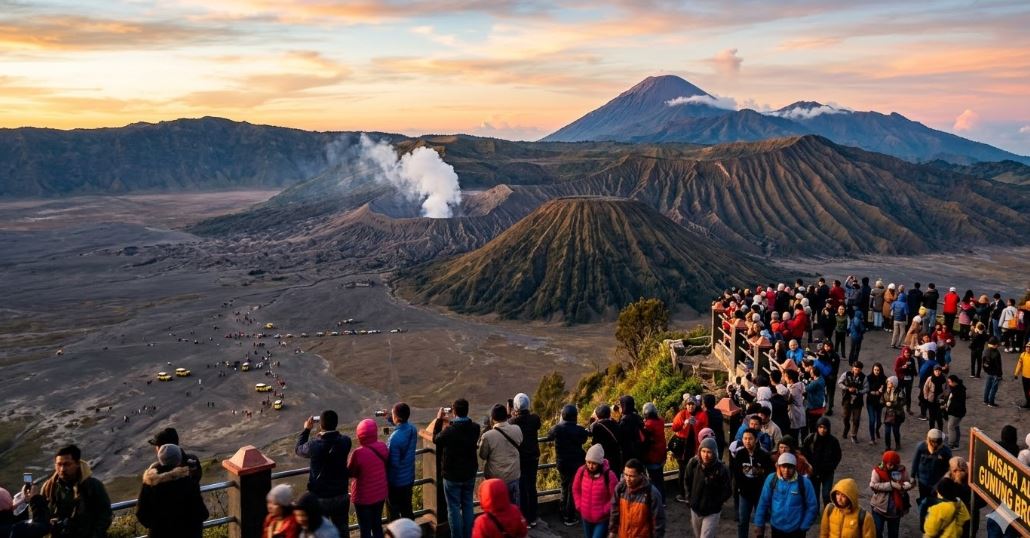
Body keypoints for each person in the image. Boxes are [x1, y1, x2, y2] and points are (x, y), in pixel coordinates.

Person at [135, 444, 208, 538]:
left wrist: (156, 526)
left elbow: (141, 512)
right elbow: (201, 512)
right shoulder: (186, 482)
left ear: (160, 459)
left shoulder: (150, 482)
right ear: (178, 459)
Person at [431, 399, 480, 538]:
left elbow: (436, 439)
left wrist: (439, 420)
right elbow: (463, 430)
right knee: (468, 505)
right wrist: (451, 422)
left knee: (453, 509)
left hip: (452, 475)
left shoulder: (449, 432)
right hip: (469, 473)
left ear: (454, 412)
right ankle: (468, 535)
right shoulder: (475, 428)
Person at [40, 444, 112, 538]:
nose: (62, 469)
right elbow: (41, 515)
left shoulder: (93, 486)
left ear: (77, 464)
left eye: (67, 464)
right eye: (59, 464)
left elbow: (105, 514)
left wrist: (95, 535)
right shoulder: (49, 487)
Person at [296, 410, 352, 530]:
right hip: (341, 495)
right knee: (342, 530)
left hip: (320, 497)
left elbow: (298, 449)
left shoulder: (314, 445)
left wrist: (306, 429)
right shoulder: (346, 441)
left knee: (322, 531)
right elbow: (339, 439)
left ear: (320, 425)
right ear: (336, 423)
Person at [753, 453, 819, 538]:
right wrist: (759, 525)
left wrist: (804, 526)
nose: (786, 470)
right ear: (778, 467)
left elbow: (812, 506)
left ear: (795, 467)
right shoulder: (771, 479)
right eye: (783, 467)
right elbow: (763, 502)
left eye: (790, 467)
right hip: (776, 529)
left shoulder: (804, 483)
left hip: (797, 531)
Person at [547, 404, 589, 526]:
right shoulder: (580, 430)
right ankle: (569, 516)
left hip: (562, 463)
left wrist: (559, 423)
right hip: (576, 463)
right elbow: (584, 439)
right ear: (575, 416)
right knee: (572, 488)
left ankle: (563, 512)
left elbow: (550, 435)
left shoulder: (557, 429)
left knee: (565, 486)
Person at [684, 438, 731, 538]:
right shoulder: (693, 463)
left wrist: (717, 502)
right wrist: (689, 498)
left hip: (712, 511)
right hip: (695, 508)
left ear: (714, 453)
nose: (705, 455)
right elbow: (687, 480)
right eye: (703, 451)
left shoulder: (721, 469)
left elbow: (727, 490)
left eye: (709, 452)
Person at [349, 418, 389, 538]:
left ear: (359, 434)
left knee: (365, 529)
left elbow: (351, 472)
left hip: (363, 498)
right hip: (380, 493)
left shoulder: (358, 453)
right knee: (377, 524)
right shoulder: (382, 446)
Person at [731, 428, 774, 538]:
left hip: (760, 493)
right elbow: (737, 474)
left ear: (756, 439)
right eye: (745, 438)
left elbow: (767, 474)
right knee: (743, 521)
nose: (747, 441)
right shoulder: (739, 454)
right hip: (744, 493)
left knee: (760, 521)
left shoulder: (763, 455)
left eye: (750, 438)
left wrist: (753, 472)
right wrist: (755, 471)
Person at [609, 459, 665, 538]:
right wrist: (613, 531)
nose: (627, 479)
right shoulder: (620, 488)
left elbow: (658, 520)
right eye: (626, 474)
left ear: (641, 475)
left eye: (631, 476)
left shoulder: (652, 493)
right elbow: (614, 512)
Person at [479, 404, 523, 505]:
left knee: (497, 509)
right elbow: (520, 441)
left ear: (493, 418)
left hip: (496, 480)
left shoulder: (487, 436)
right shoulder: (517, 429)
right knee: (514, 508)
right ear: (506, 416)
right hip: (514, 476)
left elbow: (483, 455)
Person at [509, 393, 541, 526]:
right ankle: (533, 517)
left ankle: (524, 518)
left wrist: (511, 414)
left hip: (520, 459)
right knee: (532, 487)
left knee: (521, 488)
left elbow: (509, 424)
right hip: (533, 457)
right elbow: (536, 424)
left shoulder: (513, 421)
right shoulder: (535, 419)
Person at [573, 444, 617, 538]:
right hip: (585, 516)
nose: (590, 466)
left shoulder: (609, 476)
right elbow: (575, 489)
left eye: (594, 463)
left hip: (602, 519)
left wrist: (604, 510)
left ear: (600, 463)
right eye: (588, 462)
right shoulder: (581, 471)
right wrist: (579, 505)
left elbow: (615, 497)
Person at [868, 451, 913, 538]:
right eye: (889, 464)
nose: (891, 466)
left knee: (893, 534)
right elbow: (873, 485)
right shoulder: (877, 471)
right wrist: (891, 485)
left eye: (894, 464)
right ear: (884, 462)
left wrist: (904, 486)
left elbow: (908, 481)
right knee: (877, 531)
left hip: (895, 510)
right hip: (879, 507)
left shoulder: (902, 470)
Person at [386, 403, 417, 521]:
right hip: (409, 478)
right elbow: (402, 425)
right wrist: (389, 417)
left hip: (396, 483)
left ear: (397, 417)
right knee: (407, 510)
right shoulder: (412, 429)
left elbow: (393, 464)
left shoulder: (394, 438)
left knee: (394, 514)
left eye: (393, 414)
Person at [801, 417, 841, 506]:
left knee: (826, 495)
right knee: (815, 495)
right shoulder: (810, 439)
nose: (822, 430)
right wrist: (808, 466)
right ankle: (816, 514)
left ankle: (827, 513)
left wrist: (832, 466)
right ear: (817, 427)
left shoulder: (833, 441)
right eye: (820, 427)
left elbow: (837, 456)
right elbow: (804, 453)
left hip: (827, 473)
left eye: (825, 428)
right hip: (814, 472)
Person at [671, 396, 704, 500]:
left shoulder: (700, 415)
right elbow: (674, 427)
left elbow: (704, 428)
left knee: (693, 470)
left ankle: (691, 493)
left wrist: (697, 424)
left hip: (695, 447)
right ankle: (682, 493)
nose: (690, 406)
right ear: (685, 405)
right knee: (682, 470)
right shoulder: (682, 414)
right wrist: (683, 423)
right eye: (688, 404)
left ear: (696, 405)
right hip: (682, 448)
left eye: (692, 404)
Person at [911, 429, 952, 509]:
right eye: (933, 441)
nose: (935, 444)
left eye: (937, 441)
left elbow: (949, 466)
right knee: (924, 501)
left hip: (938, 482)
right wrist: (912, 476)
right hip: (923, 481)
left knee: (936, 503)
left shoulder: (945, 451)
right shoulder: (921, 447)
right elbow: (915, 461)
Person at [641, 403, 667, 502]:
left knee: (654, 480)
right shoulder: (660, 421)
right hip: (661, 454)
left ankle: (658, 501)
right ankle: (663, 500)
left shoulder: (648, 424)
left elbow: (644, 436)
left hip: (652, 455)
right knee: (660, 479)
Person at [589, 404, 624, 478]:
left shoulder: (596, 426)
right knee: (615, 477)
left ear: (597, 415)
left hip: (603, 459)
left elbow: (591, 436)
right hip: (616, 457)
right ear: (609, 414)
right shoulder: (615, 423)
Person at [837, 361, 868, 443]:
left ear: (861, 370)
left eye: (858, 369)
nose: (857, 370)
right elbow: (839, 382)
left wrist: (858, 391)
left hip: (858, 401)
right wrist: (847, 388)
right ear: (852, 368)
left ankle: (853, 435)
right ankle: (846, 427)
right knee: (845, 417)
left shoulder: (864, 378)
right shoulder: (846, 374)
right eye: (855, 368)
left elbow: (866, 389)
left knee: (856, 419)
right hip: (847, 399)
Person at [880, 377, 906, 451]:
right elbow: (881, 400)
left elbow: (903, 402)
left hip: (897, 414)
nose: (888, 384)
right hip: (888, 414)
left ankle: (898, 444)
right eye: (888, 382)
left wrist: (892, 404)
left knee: (895, 430)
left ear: (894, 384)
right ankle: (887, 447)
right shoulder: (886, 391)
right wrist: (885, 403)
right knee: (887, 431)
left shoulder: (900, 391)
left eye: (890, 383)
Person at [865, 363, 886, 444]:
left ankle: (877, 430)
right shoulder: (869, 378)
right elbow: (867, 390)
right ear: (872, 370)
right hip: (870, 402)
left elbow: (887, 388)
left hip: (879, 403)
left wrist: (882, 390)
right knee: (872, 420)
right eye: (875, 370)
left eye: (878, 370)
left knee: (879, 421)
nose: (876, 371)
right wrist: (875, 392)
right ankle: (872, 438)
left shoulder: (884, 378)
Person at [893, 346, 918, 415]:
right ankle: (897, 407)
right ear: (903, 352)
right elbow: (896, 369)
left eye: (908, 353)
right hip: (901, 378)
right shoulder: (899, 359)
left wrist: (915, 373)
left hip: (909, 379)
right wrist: (902, 367)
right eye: (906, 352)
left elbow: (913, 367)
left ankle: (908, 408)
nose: (907, 354)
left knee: (908, 394)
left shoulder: (911, 359)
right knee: (899, 393)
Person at [922, 364, 948, 430]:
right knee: (931, 416)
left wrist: (945, 395)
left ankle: (940, 430)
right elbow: (925, 387)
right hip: (931, 399)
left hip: (940, 400)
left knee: (939, 416)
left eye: (939, 371)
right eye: (936, 371)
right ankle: (931, 429)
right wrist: (926, 396)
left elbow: (947, 388)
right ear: (933, 371)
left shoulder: (944, 379)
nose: (937, 372)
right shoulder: (930, 378)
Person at [944, 376, 966, 449]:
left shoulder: (958, 391)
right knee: (956, 426)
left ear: (954, 382)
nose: (949, 383)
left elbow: (955, 403)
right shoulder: (957, 388)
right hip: (958, 412)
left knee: (951, 427)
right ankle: (956, 442)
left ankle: (951, 444)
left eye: (950, 382)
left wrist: (948, 408)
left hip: (955, 413)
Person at [785, 369, 806, 441]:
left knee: (794, 434)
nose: (784, 378)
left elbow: (789, 401)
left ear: (790, 379)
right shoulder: (800, 384)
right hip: (800, 409)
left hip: (794, 412)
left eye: (785, 377)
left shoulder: (793, 388)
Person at [983, 337, 1003, 407]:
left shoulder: (986, 351)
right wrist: (1000, 374)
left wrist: (986, 370)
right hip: (995, 373)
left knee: (987, 387)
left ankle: (985, 400)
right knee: (993, 389)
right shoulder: (996, 353)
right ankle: (991, 402)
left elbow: (984, 362)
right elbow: (998, 365)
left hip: (989, 372)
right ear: (995, 344)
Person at [1014, 342, 1030, 409]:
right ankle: (1028, 403)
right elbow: (1019, 365)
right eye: (1027, 347)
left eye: (1029, 347)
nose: (1028, 348)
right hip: (1025, 377)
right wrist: (1016, 373)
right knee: (1026, 391)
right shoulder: (1023, 355)